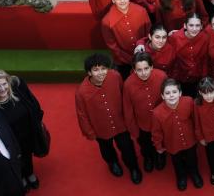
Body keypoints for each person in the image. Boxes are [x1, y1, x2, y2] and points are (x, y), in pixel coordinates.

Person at [75, 53, 141, 183]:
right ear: (89, 72)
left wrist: (129, 119)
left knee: (127, 147)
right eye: (96, 70)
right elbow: (82, 115)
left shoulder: (115, 76)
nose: (101, 73)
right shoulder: (81, 92)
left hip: (120, 123)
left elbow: (124, 96)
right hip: (101, 128)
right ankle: (113, 163)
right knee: (106, 149)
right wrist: (90, 133)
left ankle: (133, 167)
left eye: (104, 68)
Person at [0, 71, 44, 191]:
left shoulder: (18, 90)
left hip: (26, 133)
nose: (3, 89)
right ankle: (21, 178)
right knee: (14, 160)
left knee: (27, 155)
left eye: (4, 84)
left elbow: (33, 105)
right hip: (8, 140)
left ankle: (30, 174)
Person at [152, 79, 203, 190]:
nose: (171, 96)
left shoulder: (189, 101)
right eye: (167, 93)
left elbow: (196, 120)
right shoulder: (156, 113)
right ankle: (181, 177)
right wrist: (158, 146)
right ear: (162, 96)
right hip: (172, 144)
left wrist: (199, 135)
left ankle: (194, 173)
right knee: (177, 162)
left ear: (180, 93)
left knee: (192, 158)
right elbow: (156, 132)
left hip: (190, 141)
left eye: (174, 92)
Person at [123, 53, 167, 173]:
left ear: (152, 67)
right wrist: (133, 129)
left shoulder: (162, 76)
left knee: (162, 140)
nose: (144, 73)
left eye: (146, 68)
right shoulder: (128, 84)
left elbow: (168, 98)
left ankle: (161, 155)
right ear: (134, 70)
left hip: (161, 121)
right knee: (145, 144)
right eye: (139, 70)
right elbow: (128, 109)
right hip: (143, 123)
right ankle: (148, 157)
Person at [101, 0, 152, 78]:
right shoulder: (106, 21)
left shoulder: (141, 11)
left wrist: (143, 54)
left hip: (144, 56)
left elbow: (148, 33)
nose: (122, 1)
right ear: (112, 0)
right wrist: (130, 59)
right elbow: (113, 46)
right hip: (123, 61)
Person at [168, 14, 209, 96]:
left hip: (198, 79)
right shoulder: (175, 37)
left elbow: (205, 59)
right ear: (185, 26)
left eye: (197, 25)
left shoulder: (205, 37)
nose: (194, 29)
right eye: (191, 25)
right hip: (179, 79)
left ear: (201, 26)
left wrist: (204, 79)